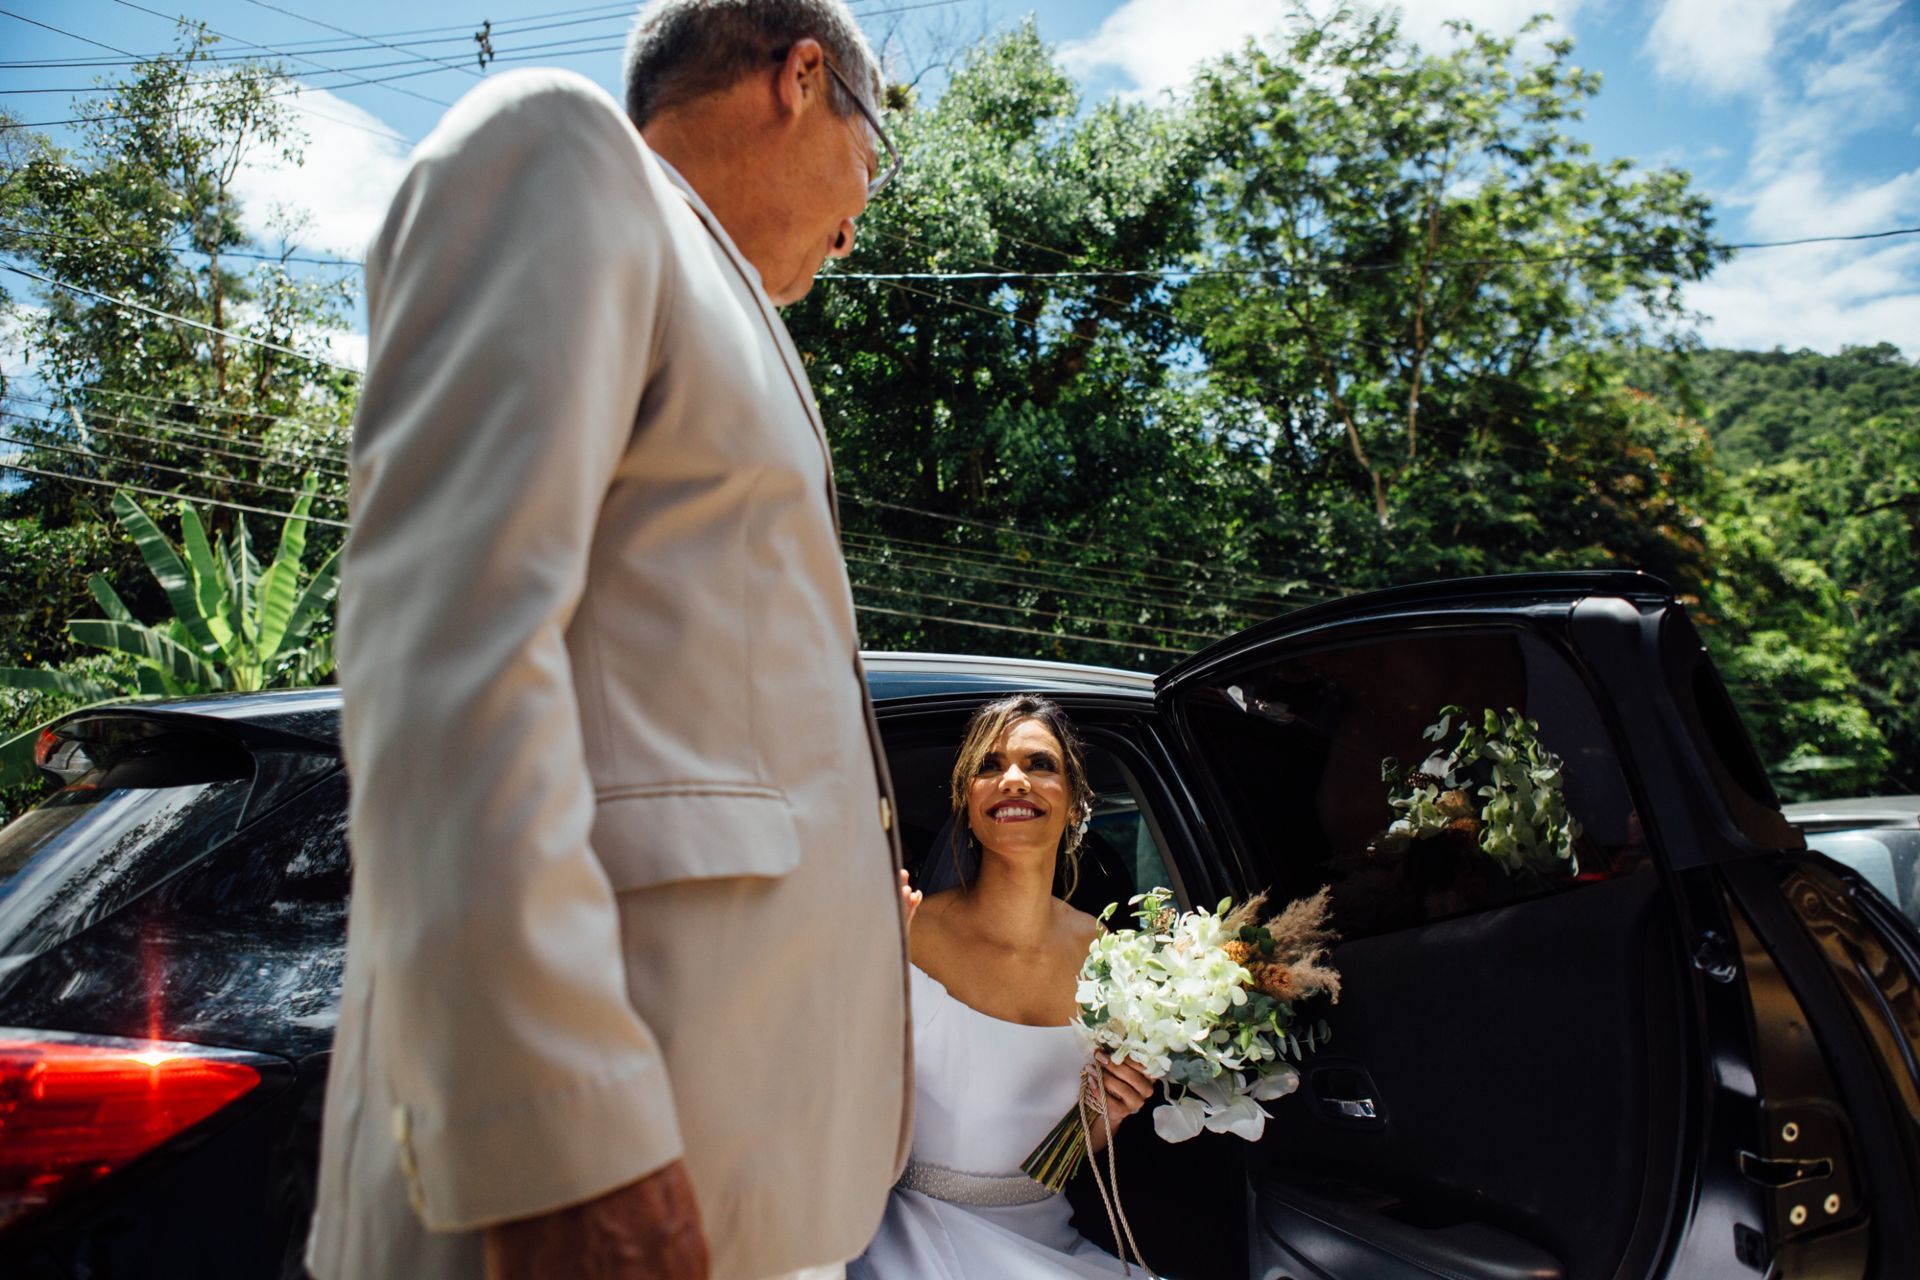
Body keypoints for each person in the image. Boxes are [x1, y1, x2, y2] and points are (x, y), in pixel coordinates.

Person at [306, 4, 913, 1279]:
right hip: (589, 1184)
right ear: (803, 78)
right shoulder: (561, 152)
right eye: (877, 151)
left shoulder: (740, 318)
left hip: (748, 1181)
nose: (863, 218)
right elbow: (448, 649)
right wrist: (563, 1134)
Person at [851, 695, 1157, 1279]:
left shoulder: (1114, 960)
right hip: (913, 1237)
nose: (1013, 780)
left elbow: (1066, 1151)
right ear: (968, 805)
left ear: (1074, 803)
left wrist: (1110, 1114)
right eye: (989, 767)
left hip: (1050, 1240)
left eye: (1040, 765)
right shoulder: (903, 933)